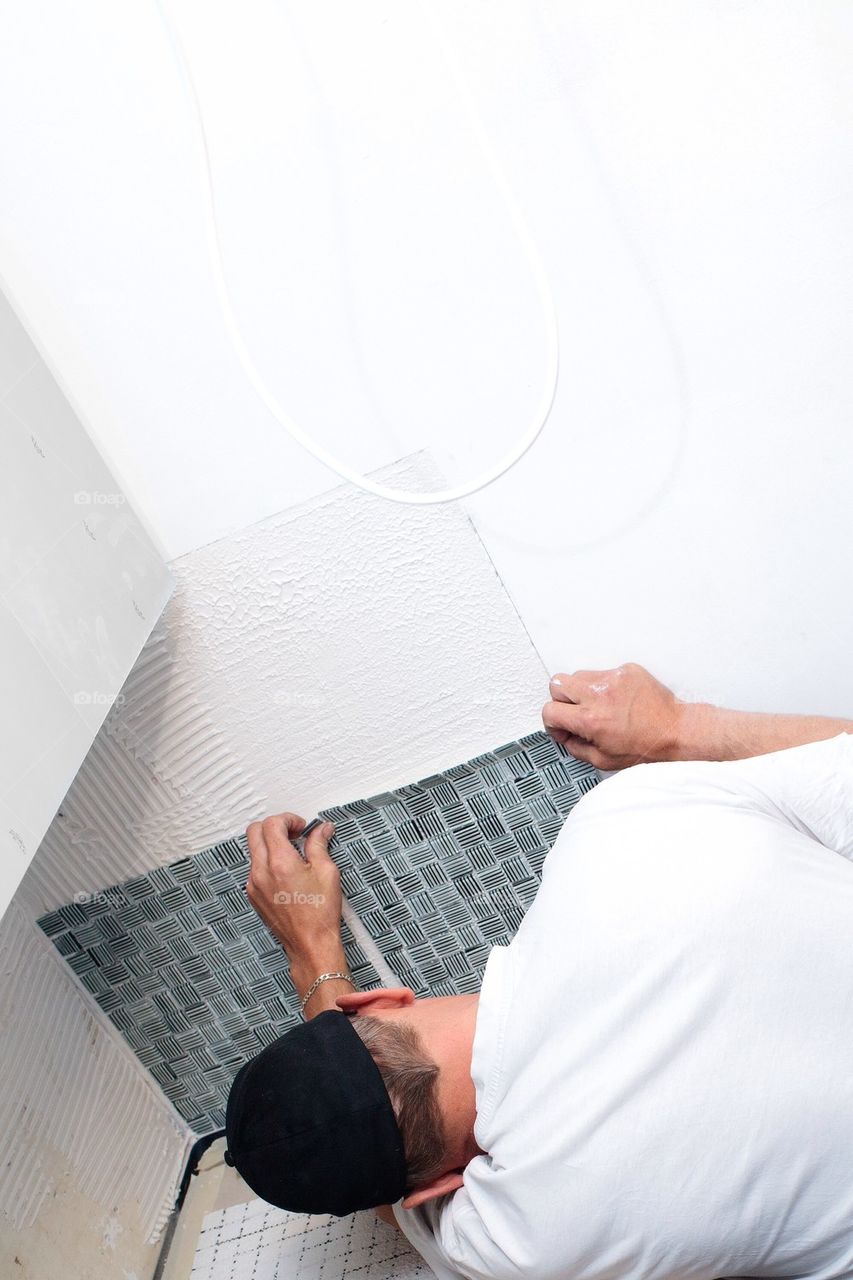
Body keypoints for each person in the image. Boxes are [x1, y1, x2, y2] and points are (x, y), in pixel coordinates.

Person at [224, 663, 853, 1280]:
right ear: (378, 1000)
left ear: (439, 1190)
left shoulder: (525, 1244)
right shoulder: (621, 825)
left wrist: (315, 959)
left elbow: (397, 1202)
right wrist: (679, 727)